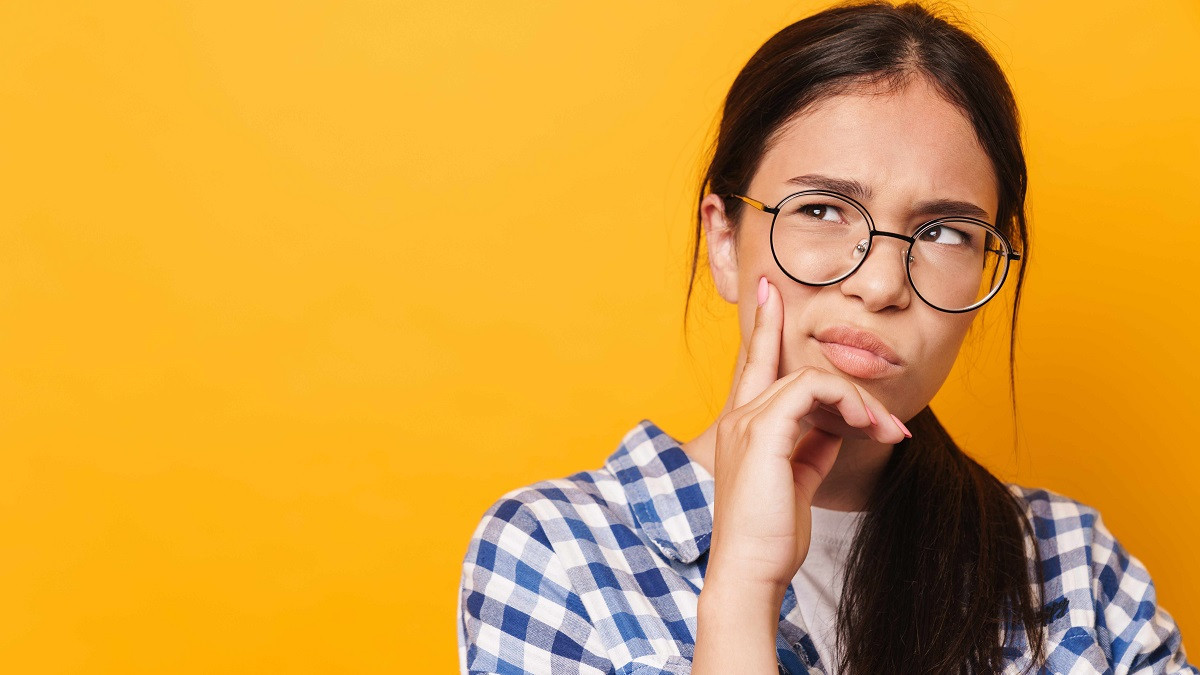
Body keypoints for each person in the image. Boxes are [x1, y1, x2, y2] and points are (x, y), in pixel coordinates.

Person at [456, 2, 1197, 673]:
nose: (880, 284)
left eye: (944, 232)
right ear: (723, 240)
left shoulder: (1074, 569)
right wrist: (742, 587)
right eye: (821, 210)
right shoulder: (558, 554)